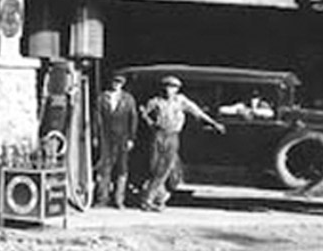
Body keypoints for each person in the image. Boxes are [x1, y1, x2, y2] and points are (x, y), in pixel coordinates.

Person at [139, 74, 225, 212]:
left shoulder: (181, 101)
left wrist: (214, 123)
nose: (169, 90)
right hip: (158, 134)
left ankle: (149, 199)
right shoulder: (156, 101)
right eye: (167, 87)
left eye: (173, 87)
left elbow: (197, 112)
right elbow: (144, 113)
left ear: (177, 89)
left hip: (173, 135)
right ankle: (158, 198)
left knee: (166, 167)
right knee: (155, 166)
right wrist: (151, 123)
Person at [94, 71, 138, 208]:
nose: (116, 85)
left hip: (123, 137)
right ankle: (102, 198)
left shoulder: (128, 99)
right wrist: (96, 136)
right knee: (104, 168)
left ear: (122, 84)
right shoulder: (102, 98)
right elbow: (97, 119)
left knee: (122, 168)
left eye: (119, 83)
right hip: (106, 137)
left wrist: (131, 137)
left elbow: (133, 119)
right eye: (114, 82)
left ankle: (119, 200)